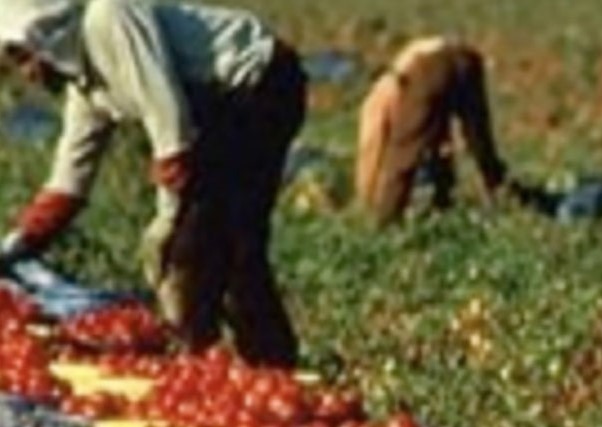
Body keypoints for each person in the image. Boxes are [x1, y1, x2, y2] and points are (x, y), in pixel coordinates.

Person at [0, 0, 306, 368]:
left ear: (45, 32)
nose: (26, 73)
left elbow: (170, 123)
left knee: (213, 245)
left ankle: (255, 368)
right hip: (219, 109)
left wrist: (167, 222)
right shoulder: (87, 88)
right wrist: (17, 245)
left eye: (23, 56)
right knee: (211, 245)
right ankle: (223, 362)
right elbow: (70, 180)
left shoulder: (110, 17)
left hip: (260, 83)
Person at [356, 36, 535, 226]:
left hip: (432, 67)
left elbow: (370, 148)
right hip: (466, 59)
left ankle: (385, 224)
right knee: (479, 147)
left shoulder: (379, 97)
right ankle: (508, 200)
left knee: (402, 158)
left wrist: (365, 197)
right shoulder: (402, 73)